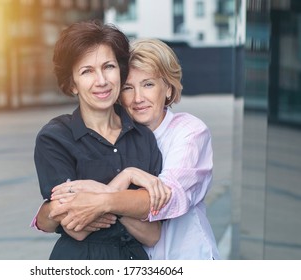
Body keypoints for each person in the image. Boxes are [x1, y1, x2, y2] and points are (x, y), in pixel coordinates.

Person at [42, 38, 220, 260]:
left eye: (148, 84)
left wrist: (98, 197)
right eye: (128, 87)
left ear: (168, 87)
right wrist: (49, 213)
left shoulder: (189, 131)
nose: (138, 98)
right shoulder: (121, 137)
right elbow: (67, 220)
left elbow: (166, 199)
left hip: (185, 257)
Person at [31, 20, 171, 260]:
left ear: (120, 70)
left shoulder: (143, 136)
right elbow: (76, 228)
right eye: (87, 71)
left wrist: (98, 198)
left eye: (108, 67)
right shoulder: (54, 138)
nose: (102, 81)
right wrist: (128, 181)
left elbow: (152, 233)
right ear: (72, 84)